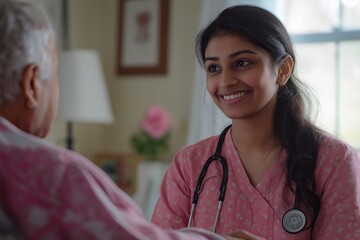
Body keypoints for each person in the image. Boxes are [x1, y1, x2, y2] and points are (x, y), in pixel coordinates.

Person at [0, 1, 254, 239]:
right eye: (56, 71)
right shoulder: (52, 176)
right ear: (32, 83)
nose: (226, 81)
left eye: (242, 63)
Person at [151, 5, 360, 240]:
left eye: (242, 63)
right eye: (214, 68)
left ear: (283, 70)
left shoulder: (334, 161)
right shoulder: (189, 166)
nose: (226, 81)